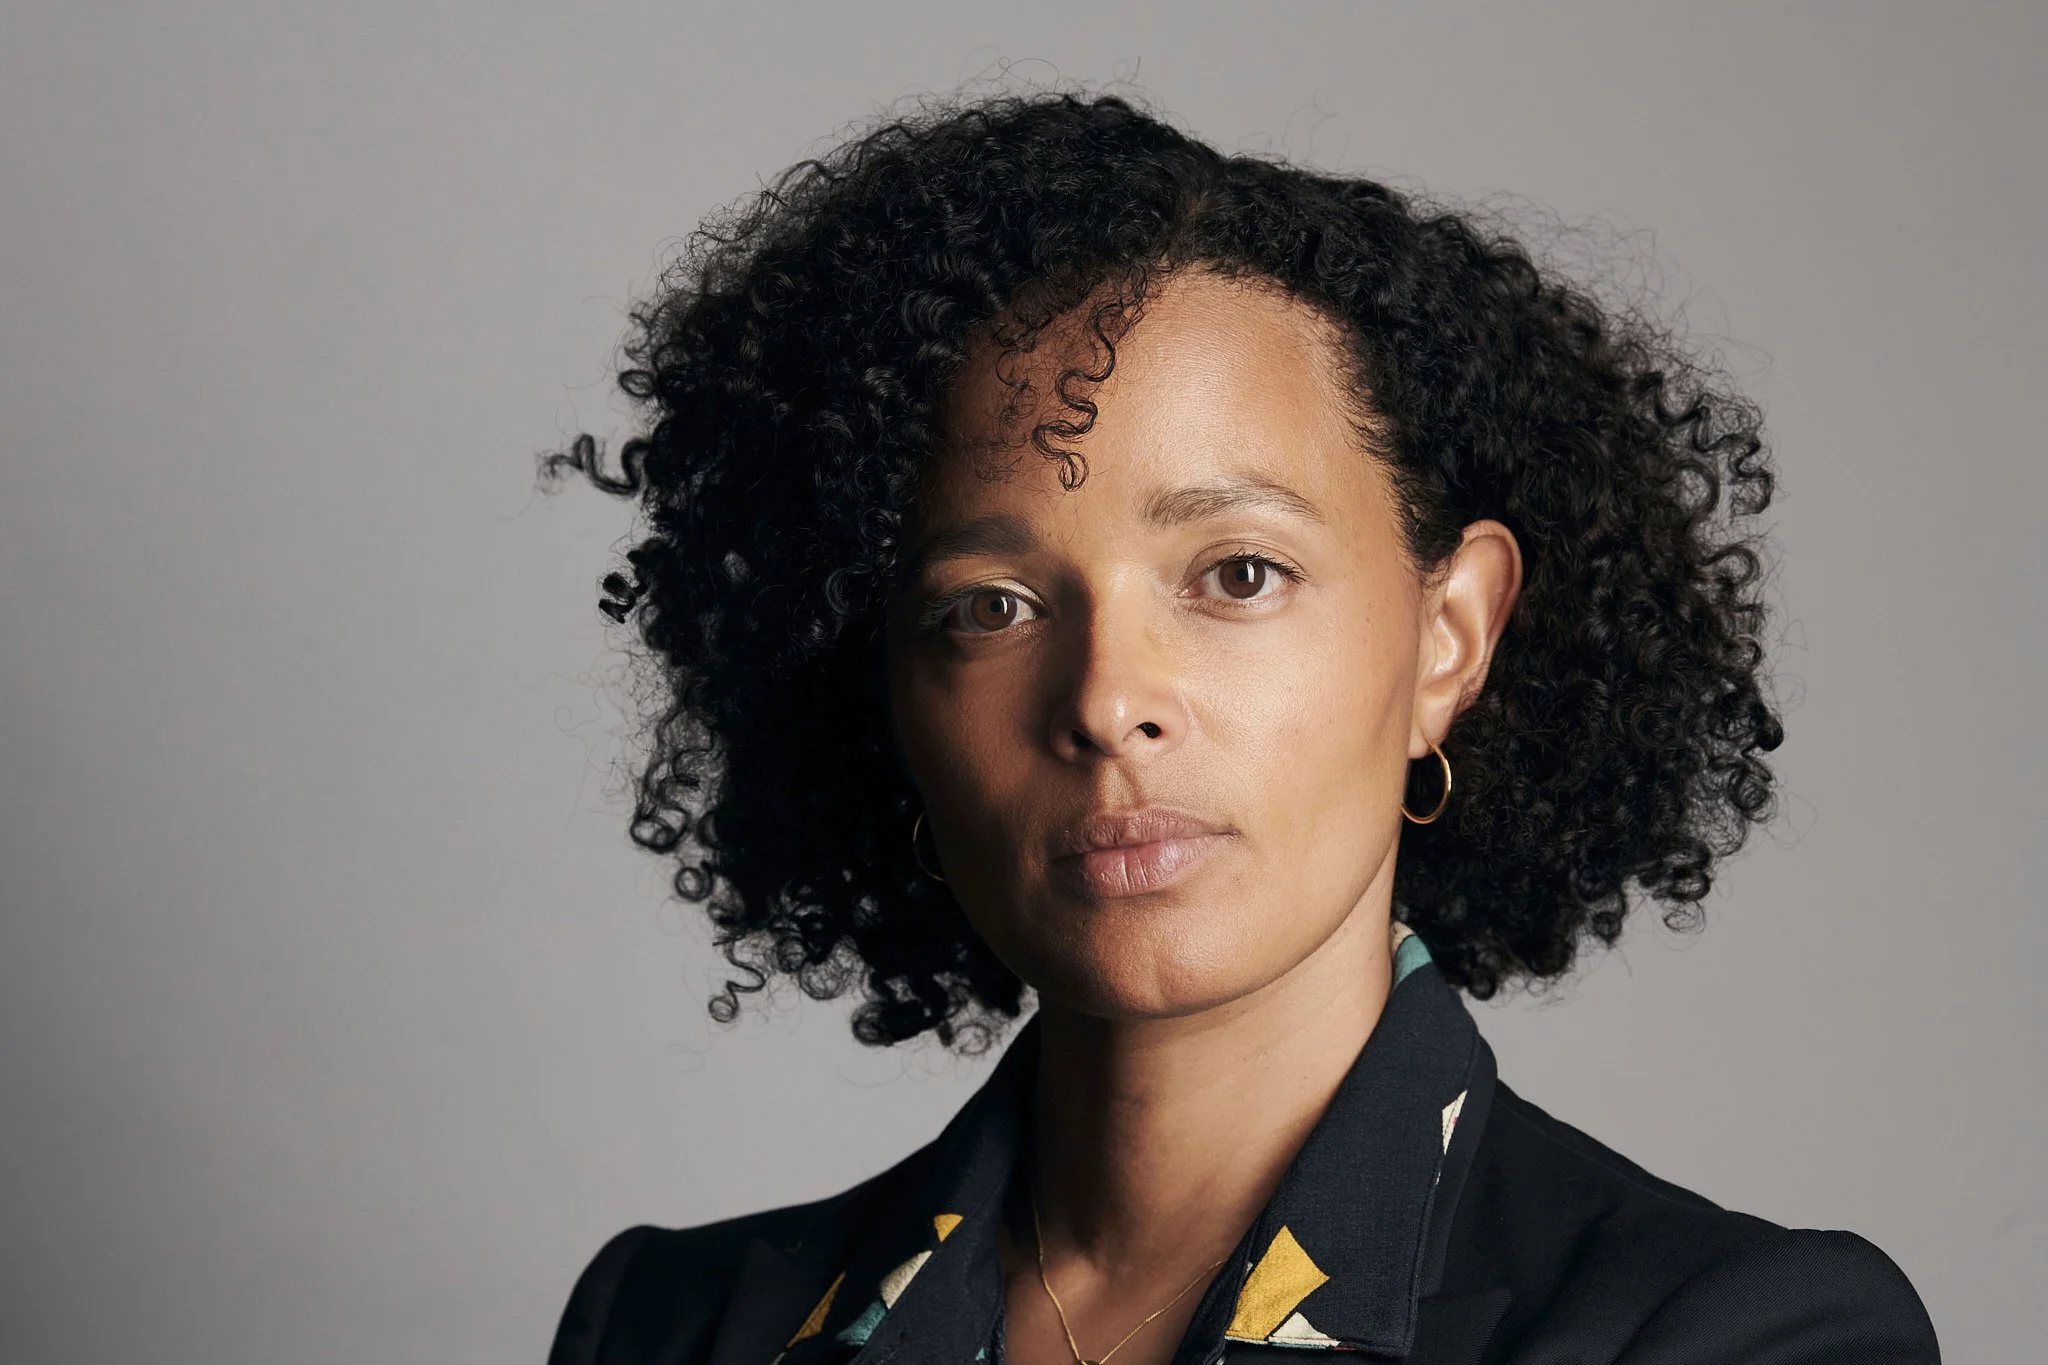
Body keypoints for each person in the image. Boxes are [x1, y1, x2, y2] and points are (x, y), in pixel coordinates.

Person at [538, 89, 1940, 1365]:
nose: (1103, 702)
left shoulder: (1728, 1337)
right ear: (886, 689)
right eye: (992, 607)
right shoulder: (669, 1330)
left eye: (1238, 575)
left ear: (1450, 636)